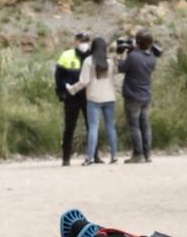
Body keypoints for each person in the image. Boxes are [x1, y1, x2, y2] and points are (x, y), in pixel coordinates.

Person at [68, 37, 119, 165]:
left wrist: (72, 89)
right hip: (109, 98)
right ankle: (114, 156)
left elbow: (84, 81)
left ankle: (90, 158)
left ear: (93, 47)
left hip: (94, 98)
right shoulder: (110, 61)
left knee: (93, 128)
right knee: (111, 128)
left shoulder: (88, 61)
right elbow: (115, 75)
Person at [118, 29, 160, 163]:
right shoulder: (152, 58)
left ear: (137, 42)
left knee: (134, 126)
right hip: (146, 95)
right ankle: (147, 155)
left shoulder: (133, 57)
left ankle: (138, 154)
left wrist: (123, 55)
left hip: (132, 96)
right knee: (146, 125)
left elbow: (121, 68)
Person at [55, 32, 91, 166]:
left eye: (86, 40)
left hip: (88, 96)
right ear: (75, 41)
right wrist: (60, 92)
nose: (84, 43)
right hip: (71, 97)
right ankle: (66, 158)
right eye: (81, 40)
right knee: (69, 127)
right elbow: (58, 76)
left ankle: (94, 156)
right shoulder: (66, 55)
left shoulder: (91, 55)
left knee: (91, 127)